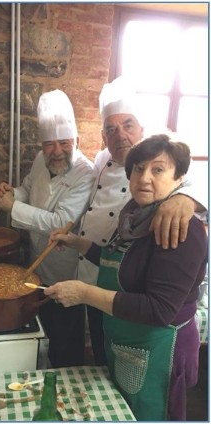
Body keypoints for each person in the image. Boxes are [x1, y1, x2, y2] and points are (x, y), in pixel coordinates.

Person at [45, 134, 208, 421]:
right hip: (129, 344)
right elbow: (120, 265)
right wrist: (78, 243)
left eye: (158, 169)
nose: (144, 177)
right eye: (138, 168)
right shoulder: (134, 214)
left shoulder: (180, 228)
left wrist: (84, 294)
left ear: (179, 177)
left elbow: (159, 310)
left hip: (160, 350)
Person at [77, 76, 206, 365]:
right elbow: (124, 259)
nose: (120, 135)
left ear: (142, 128)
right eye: (111, 129)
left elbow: (159, 309)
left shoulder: (178, 219)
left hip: (156, 341)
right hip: (113, 301)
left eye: (128, 125)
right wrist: (78, 243)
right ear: (103, 137)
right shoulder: (107, 174)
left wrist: (188, 199)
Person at [0, 89, 94, 367]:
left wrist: (12, 207)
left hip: (65, 268)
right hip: (37, 264)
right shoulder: (41, 159)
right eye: (49, 144)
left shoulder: (85, 173)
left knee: (66, 334)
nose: (56, 151)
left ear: (75, 139)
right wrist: (12, 192)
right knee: (42, 330)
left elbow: (60, 223)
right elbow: (28, 188)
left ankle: (67, 385)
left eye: (64, 142)